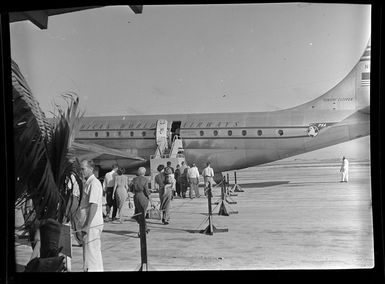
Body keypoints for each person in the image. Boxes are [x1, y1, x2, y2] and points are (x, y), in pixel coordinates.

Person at [80, 159, 104, 272]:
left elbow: (93, 205)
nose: (81, 171)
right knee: (89, 252)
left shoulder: (94, 183)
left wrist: (87, 225)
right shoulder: (88, 182)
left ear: (91, 169)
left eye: (83, 169)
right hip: (88, 222)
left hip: (92, 223)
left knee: (92, 253)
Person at [130, 167, 152, 235]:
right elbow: (146, 190)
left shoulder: (134, 179)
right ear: (144, 172)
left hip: (136, 196)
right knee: (142, 214)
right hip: (143, 196)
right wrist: (151, 200)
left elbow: (131, 189)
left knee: (137, 214)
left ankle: (144, 228)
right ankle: (142, 230)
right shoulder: (145, 179)